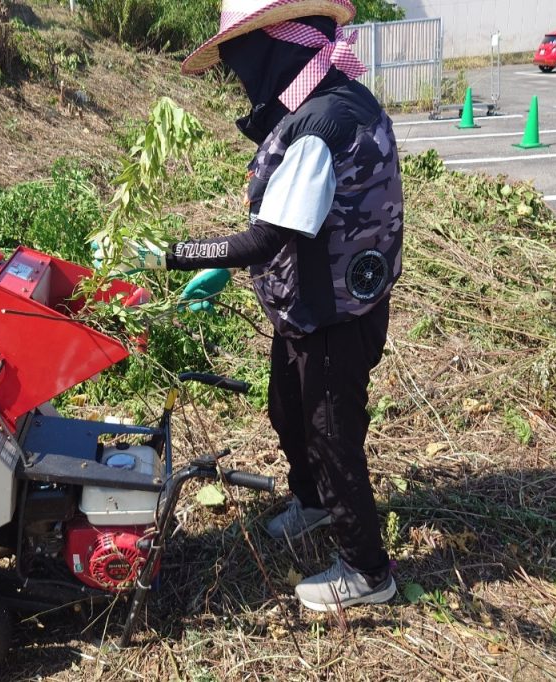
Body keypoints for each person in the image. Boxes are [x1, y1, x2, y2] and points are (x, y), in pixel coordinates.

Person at [97, 0, 404, 611]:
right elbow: (297, 222)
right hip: (323, 305)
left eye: (242, 63)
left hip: (332, 320)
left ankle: (369, 573)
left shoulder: (319, 126)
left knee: (331, 438)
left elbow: (267, 238)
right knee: (287, 409)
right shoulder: (342, 100)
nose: (239, 79)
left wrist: (172, 255)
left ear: (277, 50)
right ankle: (313, 504)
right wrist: (223, 264)